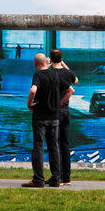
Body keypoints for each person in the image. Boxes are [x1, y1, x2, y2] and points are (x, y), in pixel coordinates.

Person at [21, 53, 74, 188]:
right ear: (47, 62)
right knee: (54, 147)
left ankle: (38, 179)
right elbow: (70, 90)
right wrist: (59, 104)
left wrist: (29, 103)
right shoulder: (55, 75)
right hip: (54, 117)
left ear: (35, 64)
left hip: (40, 117)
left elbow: (33, 90)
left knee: (38, 147)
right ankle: (56, 179)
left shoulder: (38, 75)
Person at [46, 49, 78, 186]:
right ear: (61, 59)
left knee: (54, 145)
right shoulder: (67, 73)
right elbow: (75, 80)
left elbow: (43, 73)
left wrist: (48, 64)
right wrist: (62, 64)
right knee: (65, 145)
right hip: (66, 112)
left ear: (50, 60)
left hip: (54, 112)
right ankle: (66, 177)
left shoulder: (49, 73)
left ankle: (57, 177)